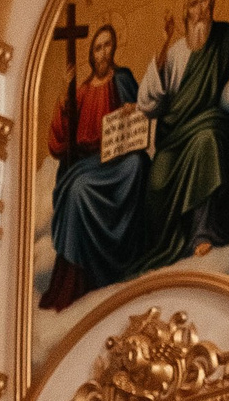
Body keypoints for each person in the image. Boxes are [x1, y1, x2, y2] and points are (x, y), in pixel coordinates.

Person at [135, 0, 229, 275]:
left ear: (213, 3)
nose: (201, 8)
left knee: (206, 141)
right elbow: (149, 102)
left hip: (214, 124)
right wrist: (163, 43)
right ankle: (168, 243)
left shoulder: (224, 37)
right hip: (175, 134)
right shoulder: (176, 52)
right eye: (194, 3)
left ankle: (203, 230)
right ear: (186, 13)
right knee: (156, 178)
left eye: (205, 0)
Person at [40, 18, 148, 313]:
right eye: (97, 48)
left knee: (138, 165)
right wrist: (64, 96)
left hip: (119, 156)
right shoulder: (82, 91)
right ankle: (80, 276)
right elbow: (60, 140)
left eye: (107, 46)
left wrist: (133, 109)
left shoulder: (122, 79)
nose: (102, 52)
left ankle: (128, 255)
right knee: (77, 189)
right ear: (91, 54)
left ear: (114, 48)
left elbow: (144, 113)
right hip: (88, 163)